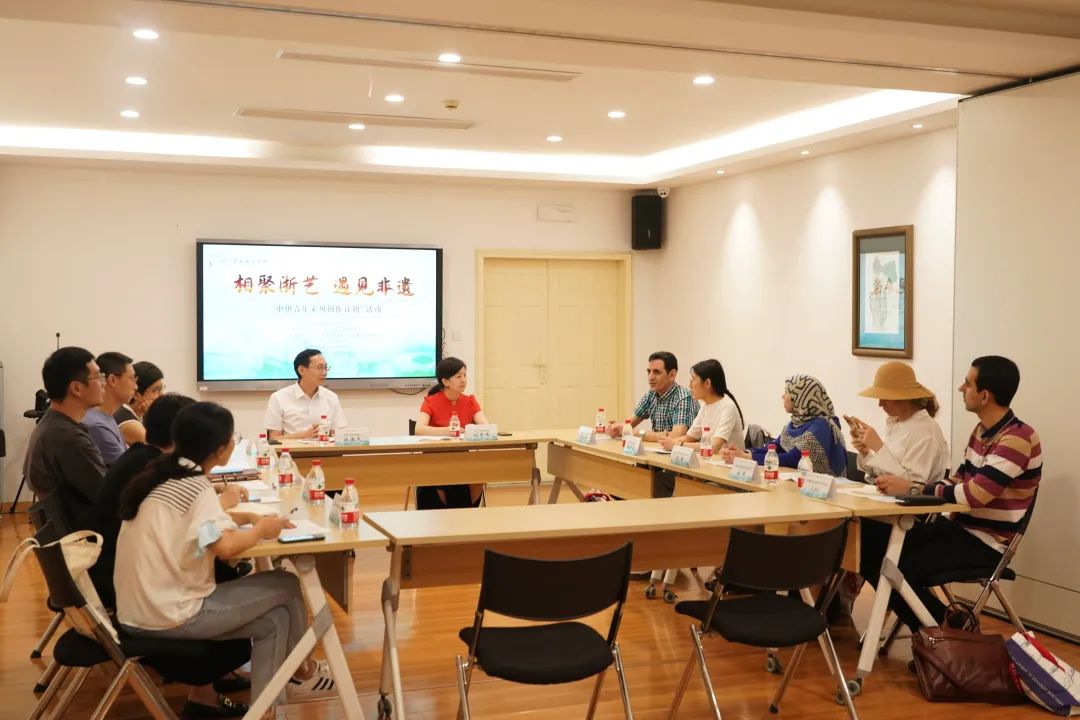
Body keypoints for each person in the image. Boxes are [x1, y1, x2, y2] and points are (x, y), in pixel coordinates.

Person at [115, 401, 336, 709]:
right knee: (286, 583)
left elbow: (197, 528)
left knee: (274, 621)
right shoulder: (194, 486)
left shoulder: (164, 474)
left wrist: (246, 518)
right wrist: (262, 529)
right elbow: (224, 547)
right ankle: (302, 671)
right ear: (220, 449)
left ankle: (266, 710)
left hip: (138, 610)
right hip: (170, 613)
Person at [861, 355, 1041, 632]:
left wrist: (913, 488)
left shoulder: (1017, 438)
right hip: (958, 530)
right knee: (868, 544)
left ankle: (945, 632)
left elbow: (975, 494)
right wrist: (913, 488)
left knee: (894, 564)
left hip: (985, 543)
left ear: (984, 396)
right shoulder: (981, 432)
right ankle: (945, 627)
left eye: (967, 384)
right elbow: (958, 480)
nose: (960, 388)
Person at [24, 346, 107, 531]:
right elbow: (108, 496)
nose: (104, 384)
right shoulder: (69, 439)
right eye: (98, 377)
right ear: (76, 388)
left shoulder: (52, 425)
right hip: (88, 539)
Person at [848, 361, 949, 495]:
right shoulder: (897, 423)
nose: (880, 404)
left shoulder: (926, 431)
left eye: (885, 398)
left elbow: (913, 487)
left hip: (914, 506)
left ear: (903, 397)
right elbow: (882, 474)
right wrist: (866, 452)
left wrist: (879, 447)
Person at [608, 351, 697, 498]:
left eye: (656, 372)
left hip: (678, 467)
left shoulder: (683, 397)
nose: (650, 377)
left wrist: (641, 435)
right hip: (657, 460)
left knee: (632, 485)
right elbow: (629, 423)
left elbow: (677, 435)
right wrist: (617, 427)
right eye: (648, 371)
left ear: (672, 374)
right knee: (620, 482)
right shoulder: (651, 394)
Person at [725, 374, 847, 476]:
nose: (783, 396)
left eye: (787, 392)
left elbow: (793, 459)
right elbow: (774, 448)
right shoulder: (796, 423)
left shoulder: (821, 426)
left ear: (800, 398)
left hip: (822, 490)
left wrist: (748, 458)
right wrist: (745, 453)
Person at [414, 357, 491, 508]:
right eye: (458, 376)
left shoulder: (470, 401)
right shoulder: (431, 401)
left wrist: (471, 430)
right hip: (435, 458)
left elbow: (485, 426)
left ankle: (465, 512)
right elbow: (419, 429)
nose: (463, 380)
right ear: (445, 381)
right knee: (445, 476)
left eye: (465, 375)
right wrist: (448, 431)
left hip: (462, 457)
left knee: (479, 475)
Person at [660, 359, 745, 453]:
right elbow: (688, 438)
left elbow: (714, 447)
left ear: (707, 383)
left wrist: (676, 445)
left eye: (693, 380)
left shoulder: (728, 406)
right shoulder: (705, 406)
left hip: (729, 461)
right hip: (712, 460)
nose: (690, 385)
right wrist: (667, 442)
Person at [263, 349, 347, 441]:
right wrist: (304, 435)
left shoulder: (331, 397)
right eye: (319, 367)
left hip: (323, 449)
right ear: (301, 370)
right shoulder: (279, 397)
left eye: (325, 367)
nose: (324, 372)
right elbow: (273, 439)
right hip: (292, 449)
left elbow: (339, 436)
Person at [83, 351, 138, 464]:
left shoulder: (105, 417)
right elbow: (125, 470)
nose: (136, 386)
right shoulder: (97, 426)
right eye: (132, 378)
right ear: (112, 380)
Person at [114, 360, 165, 447]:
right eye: (155, 390)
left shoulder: (140, 414)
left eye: (162, 389)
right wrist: (153, 417)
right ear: (136, 393)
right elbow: (160, 449)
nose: (162, 395)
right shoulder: (129, 423)